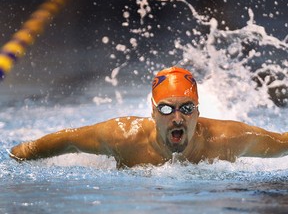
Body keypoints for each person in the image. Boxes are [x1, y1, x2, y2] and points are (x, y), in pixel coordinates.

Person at [9, 66, 288, 168]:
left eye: (187, 108)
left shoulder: (228, 139)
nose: (177, 117)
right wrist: (16, 156)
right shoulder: (123, 137)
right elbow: (68, 140)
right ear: (153, 112)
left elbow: (282, 144)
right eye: (167, 108)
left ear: (198, 112)